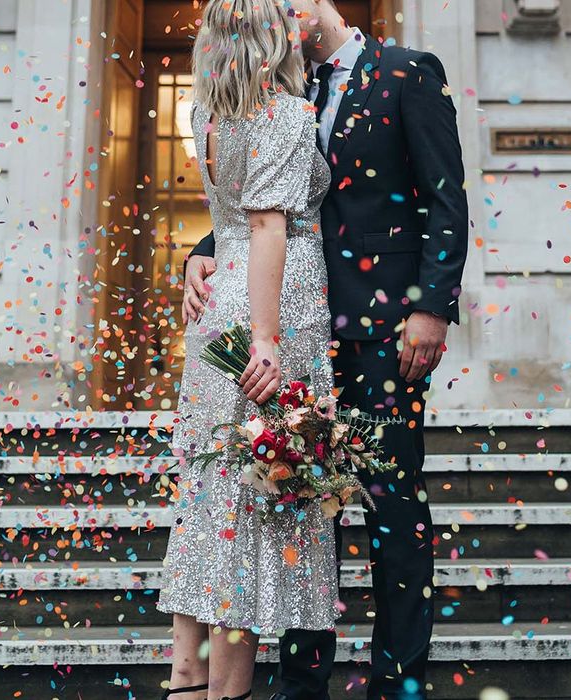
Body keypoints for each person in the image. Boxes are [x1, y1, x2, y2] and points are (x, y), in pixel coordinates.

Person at [183, 1, 469, 698]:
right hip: (303, 335)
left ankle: (397, 679)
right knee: (299, 504)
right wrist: (201, 251)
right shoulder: (284, 86)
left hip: (383, 337)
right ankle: (301, 677)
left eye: (290, 5)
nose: (280, 19)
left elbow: (445, 199)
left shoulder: (408, 73)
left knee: (391, 500)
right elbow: (267, 203)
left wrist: (431, 308)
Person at [155, 2, 341, 699]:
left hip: (218, 305)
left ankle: (185, 676)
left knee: (211, 492)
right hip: (273, 311)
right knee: (259, 500)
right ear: (275, 41)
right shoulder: (288, 115)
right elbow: (267, 225)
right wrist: (266, 340)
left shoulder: (200, 115)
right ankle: (225, 693)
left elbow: (230, 221)